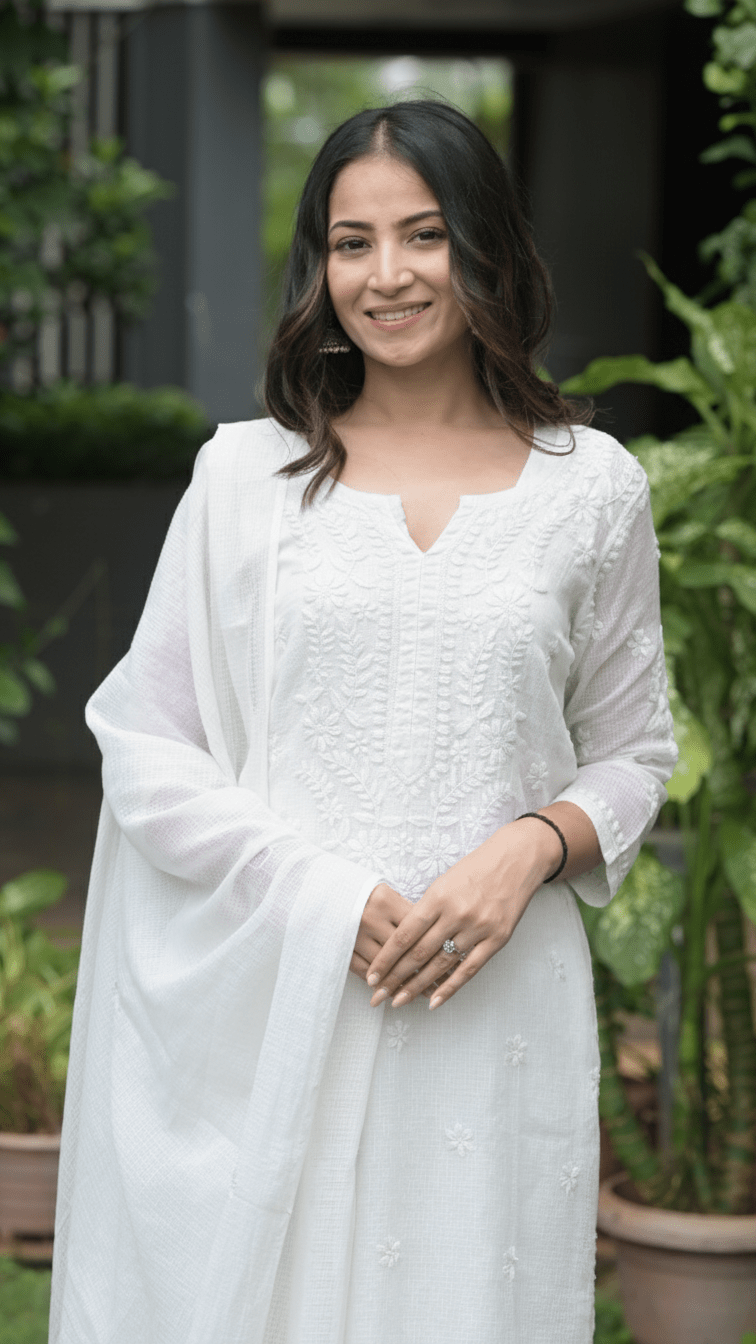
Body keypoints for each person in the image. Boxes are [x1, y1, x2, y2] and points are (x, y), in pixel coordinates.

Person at [49, 101, 677, 1344]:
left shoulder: (591, 489)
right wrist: (314, 890)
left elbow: (636, 749)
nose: (386, 276)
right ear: (319, 266)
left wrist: (532, 846)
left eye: (424, 235)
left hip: (492, 1013)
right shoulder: (247, 478)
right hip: (286, 992)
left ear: (486, 246)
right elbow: (145, 736)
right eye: (351, 242)